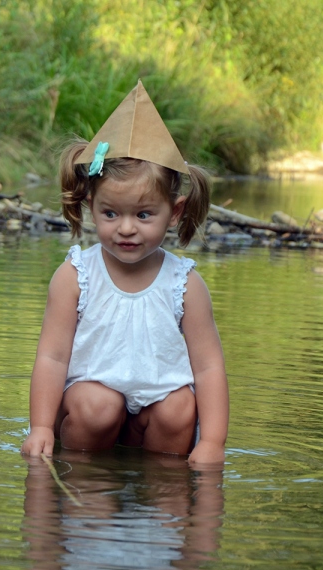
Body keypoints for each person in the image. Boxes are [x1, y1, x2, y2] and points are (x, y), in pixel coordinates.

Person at [20, 80, 229, 465]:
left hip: (156, 419)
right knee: (98, 405)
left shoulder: (185, 285)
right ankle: (87, 490)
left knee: (180, 406)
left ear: (175, 211)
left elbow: (209, 366)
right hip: (89, 415)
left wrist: (212, 442)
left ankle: (162, 492)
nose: (127, 228)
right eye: (111, 213)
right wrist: (41, 428)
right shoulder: (75, 276)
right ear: (90, 205)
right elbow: (51, 357)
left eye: (144, 214)